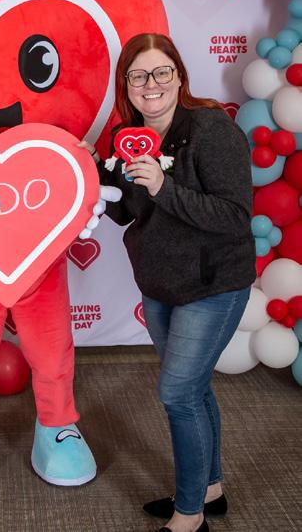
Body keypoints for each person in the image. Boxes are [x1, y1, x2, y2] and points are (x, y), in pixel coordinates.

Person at [85, 33, 255, 532]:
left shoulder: (211, 129)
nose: (150, 84)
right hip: (160, 283)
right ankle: (210, 490)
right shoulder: (127, 136)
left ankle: (189, 515)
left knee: (178, 393)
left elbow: (234, 216)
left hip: (212, 284)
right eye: (138, 76)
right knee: (194, 389)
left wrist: (164, 186)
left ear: (179, 76)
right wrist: (94, 172)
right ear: (126, 86)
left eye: (161, 72)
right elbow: (125, 212)